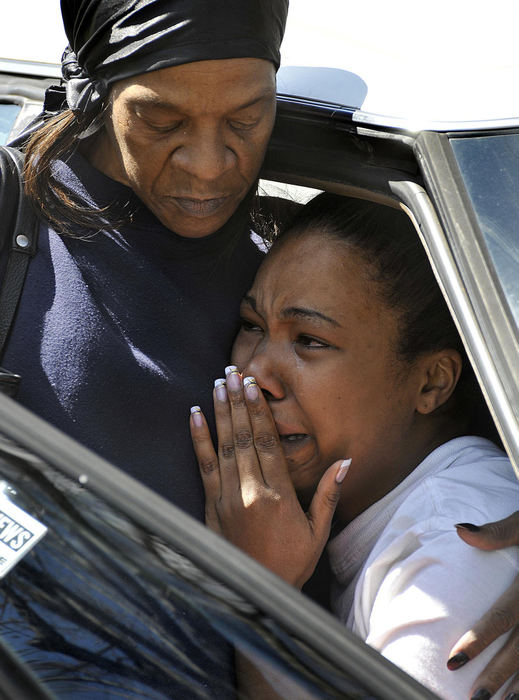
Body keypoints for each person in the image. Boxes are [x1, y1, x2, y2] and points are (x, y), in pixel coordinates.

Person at [190, 193, 519, 699]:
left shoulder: (458, 549)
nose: (255, 372)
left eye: (309, 340)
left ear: (431, 382)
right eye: (253, 327)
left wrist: (261, 596)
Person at [0, 0, 288, 521]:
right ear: (96, 96)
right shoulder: (12, 218)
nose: (207, 166)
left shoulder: (292, 265)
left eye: (246, 121)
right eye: (161, 122)